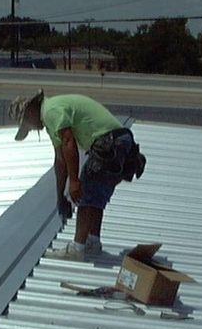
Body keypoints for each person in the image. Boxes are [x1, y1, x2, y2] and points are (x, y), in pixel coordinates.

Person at [10, 89, 145, 260]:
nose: (30, 128)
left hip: (109, 142)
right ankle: (93, 242)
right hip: (120, 142)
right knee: (96, 194)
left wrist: (74, 181)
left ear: (30, 112)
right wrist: (60, 197)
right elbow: (60, 160)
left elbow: (69, 142)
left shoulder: (51, 111)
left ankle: (77, 248)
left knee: (86, 191)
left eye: (27, 124)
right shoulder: (52, 120)